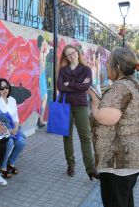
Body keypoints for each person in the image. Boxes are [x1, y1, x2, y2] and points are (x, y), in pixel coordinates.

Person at [88, 47, 139, 207]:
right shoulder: (133, 83)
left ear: (118, 67)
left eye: (108, 63)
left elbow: (105, 117)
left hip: (117, 162)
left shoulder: (121, 87)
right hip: (126, 161)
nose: (105, 66)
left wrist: (94, 99)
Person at [57, 44, 99, 180]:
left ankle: (90, 168)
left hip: (81, 106)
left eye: (73, 53)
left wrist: (69, 84)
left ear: (78, 53)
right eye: (68, 54)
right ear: (66, 57)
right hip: (65, 106)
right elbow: (59, 87)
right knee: (67, 136)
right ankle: (70, 164)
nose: (71, 56)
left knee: (85, 137)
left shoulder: (85, 69)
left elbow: (86, 86)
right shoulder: (63, 71)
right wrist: (78, 86)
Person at [0, 78, 26, 178]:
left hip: (12, 128)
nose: (5, 89)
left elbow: (15, 116)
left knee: (21, 142)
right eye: (1, 88)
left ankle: (11, 163)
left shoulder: (12, 100)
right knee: (9, 143)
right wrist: (8, 131)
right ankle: (2, 167)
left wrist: (16, 128)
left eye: (6, 87)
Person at [37, 35, 48, 128]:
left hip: (42, 77)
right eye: (43, 44)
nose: (44, 46)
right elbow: (43, 67)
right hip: (42, 77)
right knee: (44, 97)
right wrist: (45, 57)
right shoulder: (41, 53)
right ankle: (40, 120)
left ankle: (41, 119)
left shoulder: (39, 52)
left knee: (44, 97)